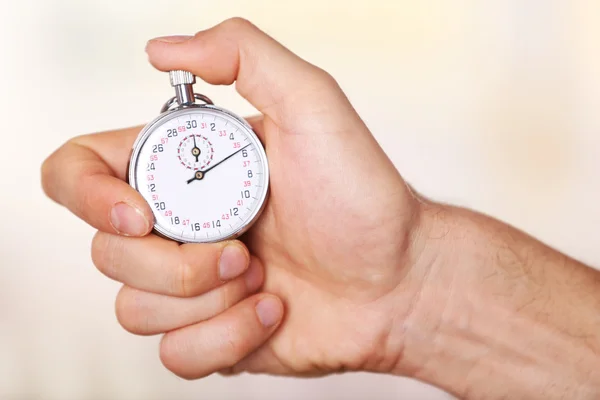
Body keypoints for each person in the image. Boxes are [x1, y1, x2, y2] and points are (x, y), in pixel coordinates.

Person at [40, 18, 600, 399]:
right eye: (191, 166)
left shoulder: (239, 152)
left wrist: (415, 286)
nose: (198, 168)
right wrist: (413, 291)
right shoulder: (178, 158)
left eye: (203, 161)